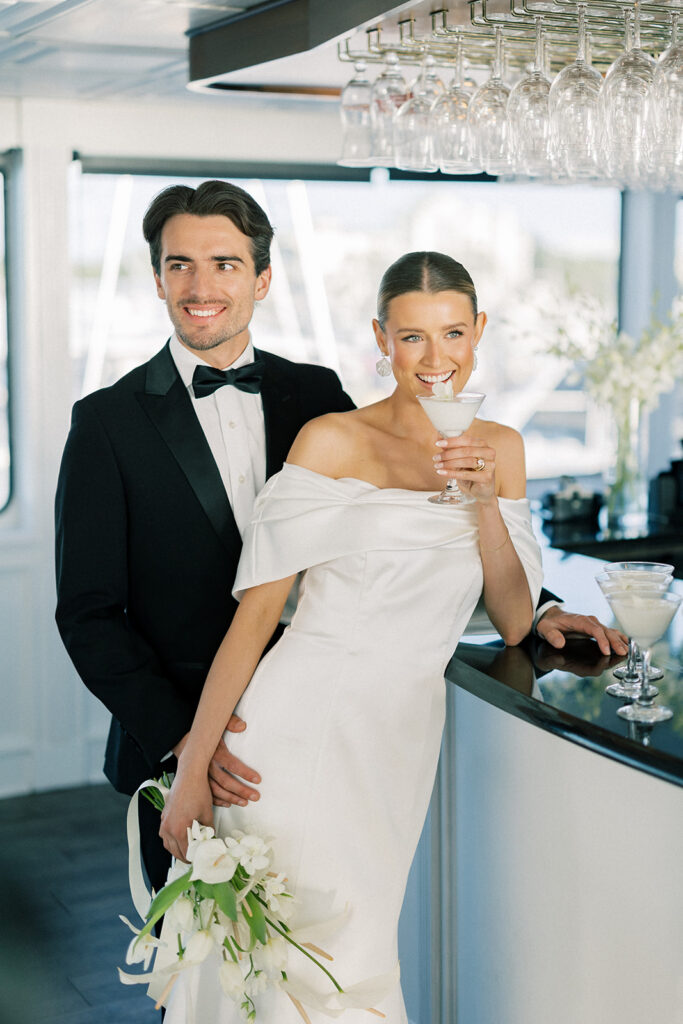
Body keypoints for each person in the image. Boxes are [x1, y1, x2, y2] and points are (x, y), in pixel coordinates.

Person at [54, 180, 625, 908]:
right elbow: (88, 614)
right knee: (197, 960)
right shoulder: (105, 422)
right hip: (181, 732)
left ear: (261, 278)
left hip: (349, 724)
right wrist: (185, 747)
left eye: (225, 264)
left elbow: (393, 523)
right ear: (159, 276)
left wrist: (538, 608)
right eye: (180, 265)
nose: (201, 286)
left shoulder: (313, 392)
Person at [154, 252, 610, 1023]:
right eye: (411, 338)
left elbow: (508, 616)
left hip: (396, 737)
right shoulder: (332, 440)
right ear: (380, 338)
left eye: (453, 333)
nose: (436, 360)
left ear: (479, 333)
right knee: (301, 962)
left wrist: (482, 503)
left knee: (354, 938)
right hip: (294, 735)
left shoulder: (501, 446)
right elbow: (257, 619)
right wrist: (194, 762)